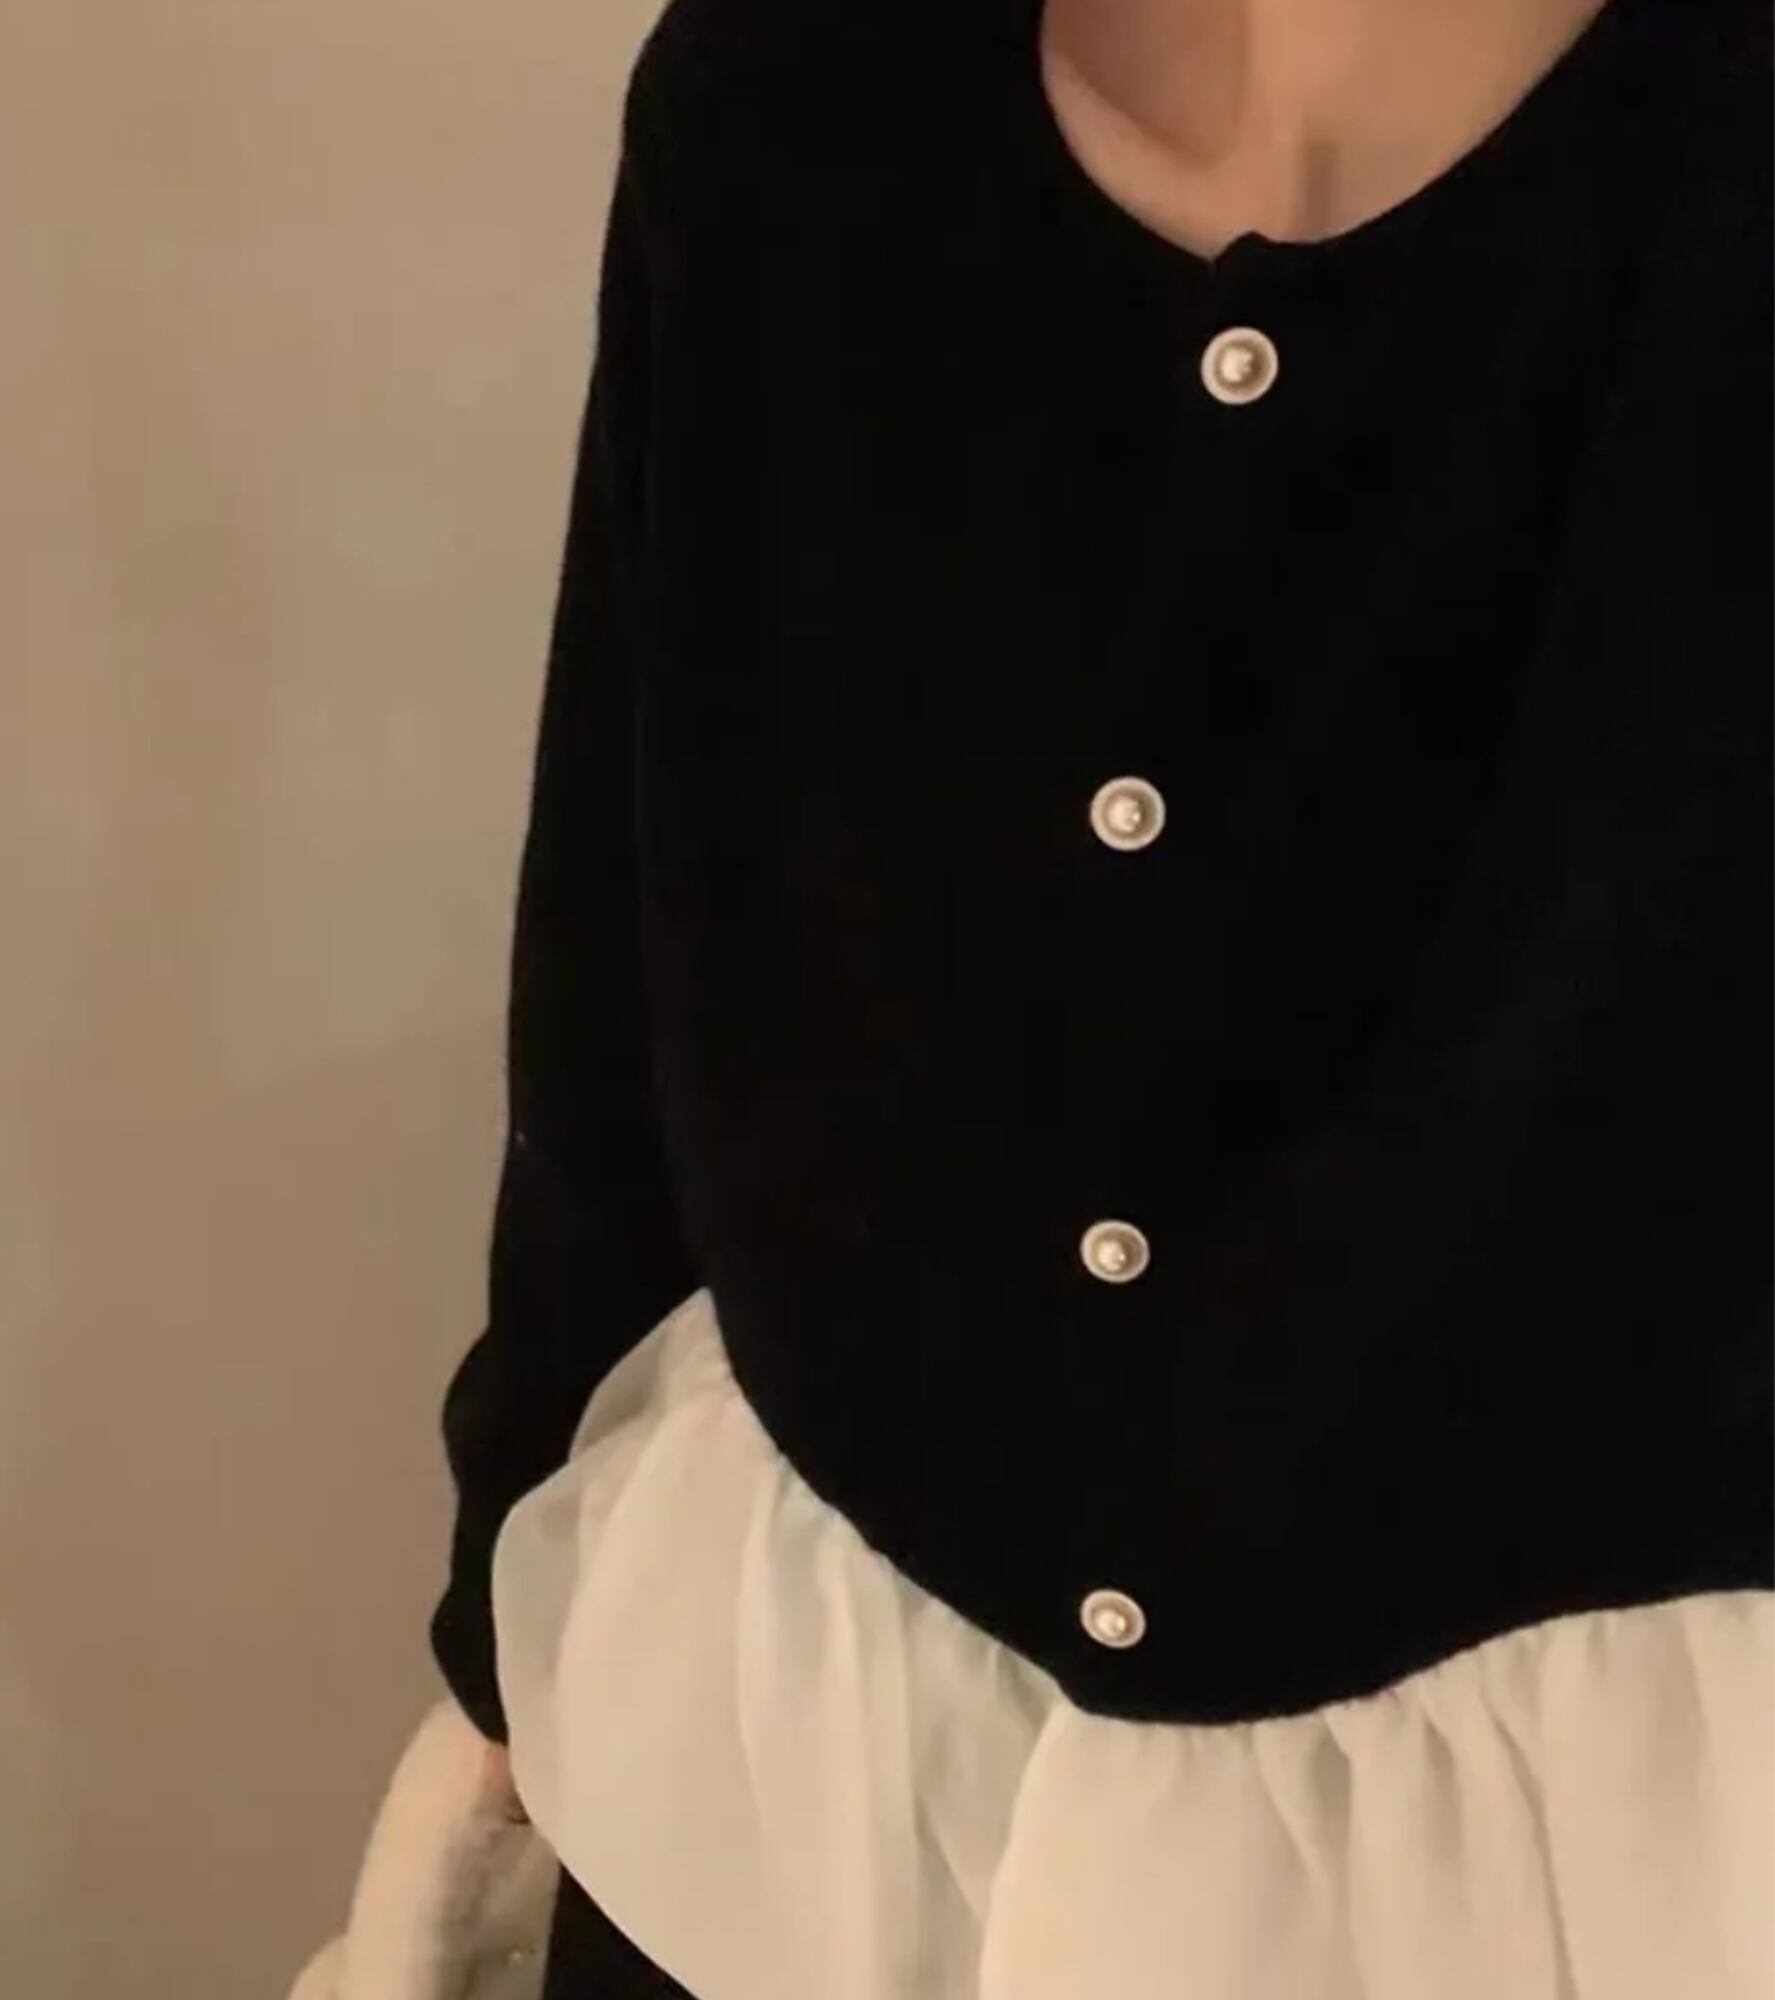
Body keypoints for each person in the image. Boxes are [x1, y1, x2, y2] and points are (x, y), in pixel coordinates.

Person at [427, 0, 1773, 1994]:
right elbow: (620, 982)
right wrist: (503, 1631)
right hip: (791, 1774)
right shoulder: (783, 101)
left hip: (1612, 1858)